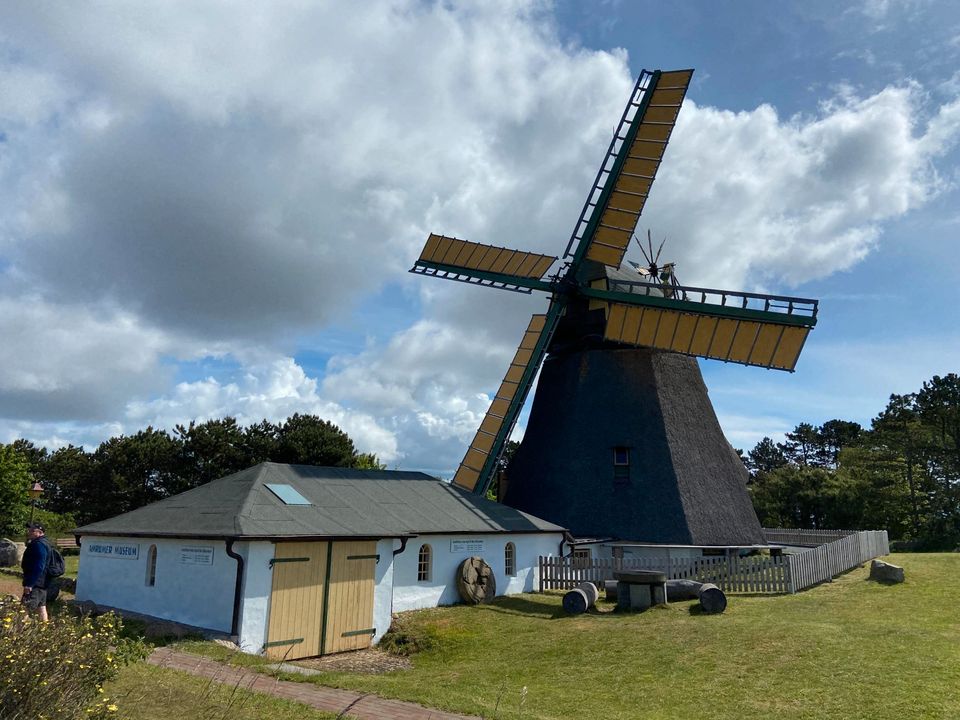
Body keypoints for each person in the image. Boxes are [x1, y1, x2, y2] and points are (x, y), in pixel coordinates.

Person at [21, 522, 50, 621]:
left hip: (36, 583)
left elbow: (39, 566)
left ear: (40, 532)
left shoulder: (39, 545)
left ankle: (19, 633)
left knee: (23, 610)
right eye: (29, 530)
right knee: (41, 608)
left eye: (32, 530)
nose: (29, 532)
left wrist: (30, 584)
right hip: (42, 582)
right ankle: (44, 632)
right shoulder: (45, 542)